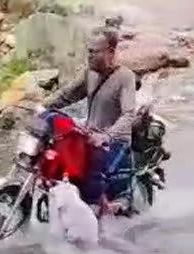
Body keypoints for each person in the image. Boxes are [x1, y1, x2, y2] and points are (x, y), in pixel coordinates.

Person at [41, 27, 137, 213]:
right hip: (89, 136)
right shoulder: (89, 74)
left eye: (95, 52)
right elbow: (66, 96)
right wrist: (40, 107)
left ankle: (105, 210)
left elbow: (128, 115)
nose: (90, 56)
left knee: (91, 183)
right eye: (89, 51)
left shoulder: (125, 77)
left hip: (114, 142)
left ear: (110, 52)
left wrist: (107, 136)